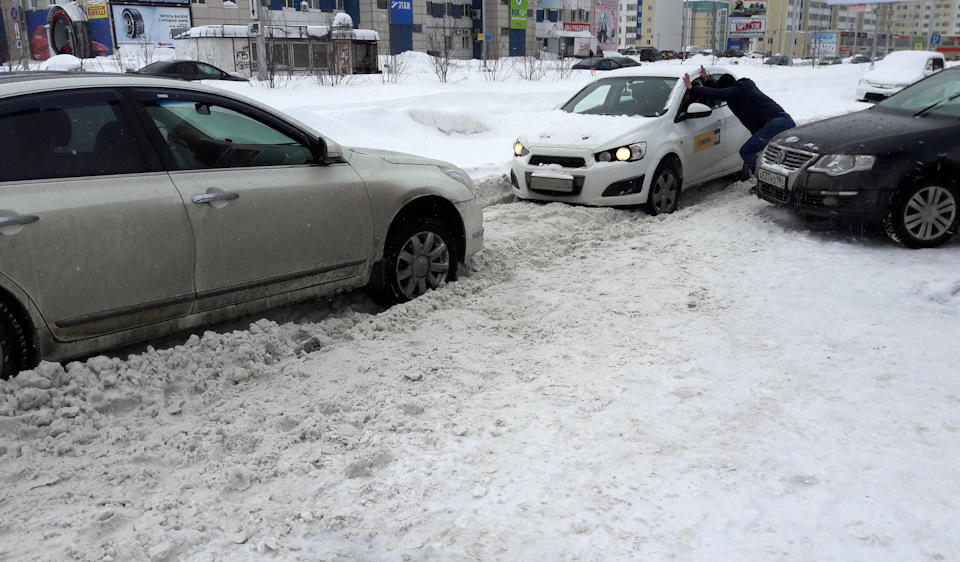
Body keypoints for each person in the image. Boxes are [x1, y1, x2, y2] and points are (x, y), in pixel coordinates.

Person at [682, 65, 795, 186]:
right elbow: (719, 90)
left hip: (775, 124)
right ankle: (778, 184)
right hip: (784, 120)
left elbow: (718, 93)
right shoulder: (741, 88)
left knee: (746, 151)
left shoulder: (736, 91)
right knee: (775, 156)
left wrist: (692, 88)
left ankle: (767, 182)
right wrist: (706, 81)